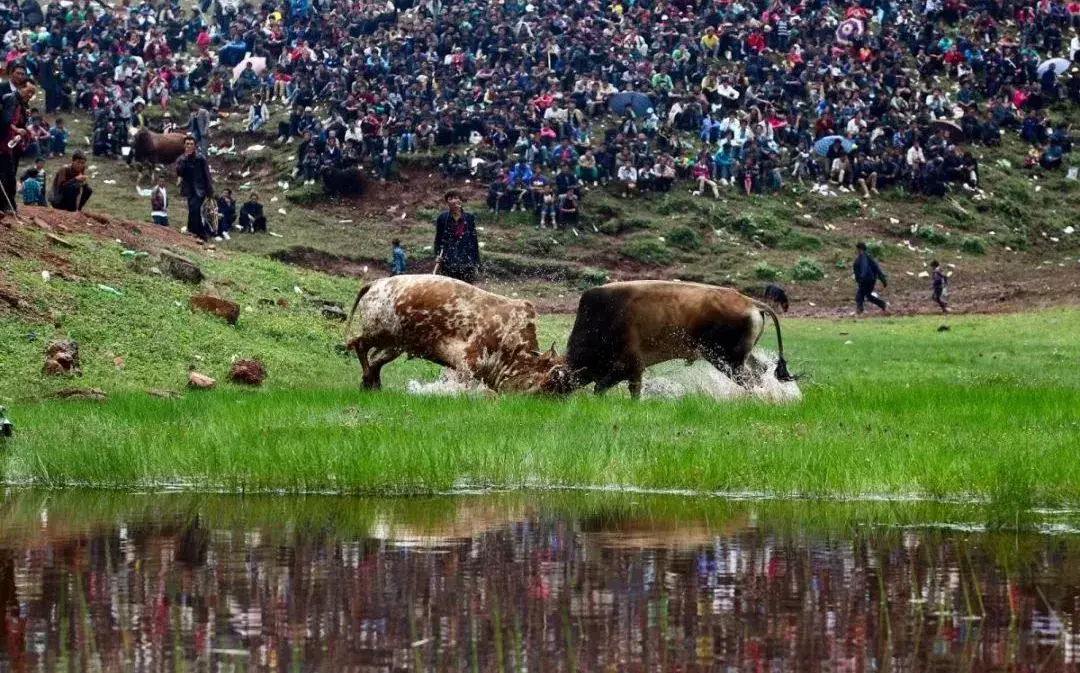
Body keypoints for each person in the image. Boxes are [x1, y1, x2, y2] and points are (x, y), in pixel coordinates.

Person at [433, 190, 480, 284]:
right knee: (449, 287)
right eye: (450, 199)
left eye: (456, 198)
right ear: (447, 202)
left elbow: (473, 240)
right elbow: (438, 239)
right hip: (448, 260)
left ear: (460, 201)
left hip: (466, 260)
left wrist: (476, 262)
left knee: (467, 287)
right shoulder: (442, 218)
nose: (453, 201)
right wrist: (437, 255)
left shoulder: (469, 218)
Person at [0, 78, 31, 215]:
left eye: (32, 93)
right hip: (3, 142)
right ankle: (7, 206)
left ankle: (9, 206)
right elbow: (6, 121)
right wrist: (17, 130)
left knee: (9, 175)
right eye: (28, 91)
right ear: (21, 88)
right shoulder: (11, 99)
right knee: (6, 175)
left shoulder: (22, 105)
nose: (30, 95)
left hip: (9, 144)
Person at [176, 135, 214, 240]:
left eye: (191, 144)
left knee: (194, 209)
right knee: (193, 211)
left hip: (200, 189)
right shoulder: (182, 159)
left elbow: (207, 175)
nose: (189, 146)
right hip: (188, 190)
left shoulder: (201, 158)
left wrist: (210, 192)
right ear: (184, 145)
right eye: (187, 144)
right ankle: (199, 233)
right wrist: (185, 159)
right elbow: (180, 173)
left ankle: (195, 232)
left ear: (195, 146)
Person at [853, 242, 888, 315]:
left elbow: (864, 267)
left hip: (865, 280)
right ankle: (883, 305)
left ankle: (859, 311)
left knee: (859, 296)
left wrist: (862, 277)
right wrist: (883, 279)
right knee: (868, 296)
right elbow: (876, 268)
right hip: (870, 279)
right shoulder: (868, 256)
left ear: (859, 249)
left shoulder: (863, 256)